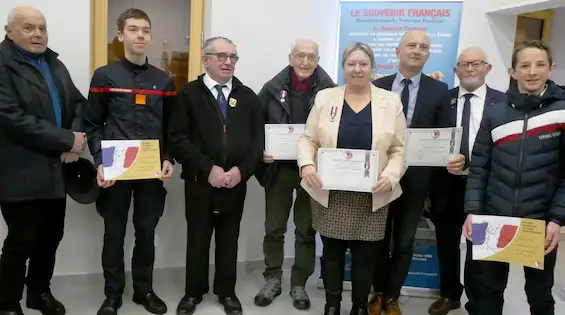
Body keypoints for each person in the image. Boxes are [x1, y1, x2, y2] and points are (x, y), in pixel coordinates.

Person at [297, 42, 406, 315]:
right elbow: (308, 139)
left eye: (363, 64)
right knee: (332, 256)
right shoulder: (325, 98)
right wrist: (307, 166)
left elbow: (399, 149)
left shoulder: (390, 101)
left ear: (372, 67)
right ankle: (332, 306)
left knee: (365, 259)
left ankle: (359, 308)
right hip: (330, 193)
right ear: (344, 67)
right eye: (351, 64)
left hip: (372, 194)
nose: (357, 69)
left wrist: (391, 177)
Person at [82, 8, 176, 315]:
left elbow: (170, 128)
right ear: (121, 35)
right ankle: (112, 295)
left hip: (150, 171)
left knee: (146, 232)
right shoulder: (105, 76)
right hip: (116, 171)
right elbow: (93, 124)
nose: (140, 35)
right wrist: (100, 162)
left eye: (145, 30)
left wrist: (168, 158)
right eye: (133, 29)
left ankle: (144, 290)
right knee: (114, 233)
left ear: (150, 37)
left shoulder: (164, 80)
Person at [462, 40, 564, 315]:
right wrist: (472, 211)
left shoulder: (562, 112)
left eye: (540, 65)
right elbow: (480, 168)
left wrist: (557, 219)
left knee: (540, 294)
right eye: (525, 65)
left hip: (539, 222)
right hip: (494, 218)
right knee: (489, 291)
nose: (532, 71)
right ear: (513, 71)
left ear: (551, 68)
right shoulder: (495, 113)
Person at [167, 36, 264, 315]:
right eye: (221, 56)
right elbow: (178, 138)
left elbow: (258, 141)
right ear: (205, 59)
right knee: (197, 239)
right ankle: (192, 293)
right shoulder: (189, 94)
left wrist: (241, 172)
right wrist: (208, 169)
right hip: (200, 182)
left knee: (229, 239)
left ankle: (227, 292)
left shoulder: (247, 96)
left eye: (233, 57)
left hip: (235, 182)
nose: (228, 62)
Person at [0, 6, 86, 315]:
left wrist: (75, 138)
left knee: (50, 237)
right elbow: (10, 117)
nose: (38, 34)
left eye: (42, 28)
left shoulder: (54, 63)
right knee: (21, 240)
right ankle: (7, 303)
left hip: (56, 170)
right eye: (28, 28)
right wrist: (65, 140)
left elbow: (78, 103)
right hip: (19, 168)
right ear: (9, 32)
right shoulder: (2, 64)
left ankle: (38, 292)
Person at [370, 30, 450, 315]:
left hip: (416, 182)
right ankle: (377, 292)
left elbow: (442, 140)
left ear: (429, 54)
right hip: (379, 178)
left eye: (423, 46)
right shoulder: (376, 86)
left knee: (404, 242)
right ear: (398, 51)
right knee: (377, 239)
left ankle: (392, 295)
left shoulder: (440, 91)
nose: (417, 50)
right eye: (411, 45)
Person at [254, 39, 335, 309]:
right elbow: (254, 126)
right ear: (290, 58)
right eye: (300, 55)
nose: (305, 61)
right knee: (274, 227)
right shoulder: (271, 88)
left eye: (311, 57)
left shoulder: (330, 91)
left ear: (318, 60)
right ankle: (273, 277)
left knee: (306, 230)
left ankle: (299, 282)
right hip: (279, 170)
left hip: (312, 171)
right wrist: (261, 152)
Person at [427, 47, 505, 315]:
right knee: (446, 243)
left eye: (476, 63)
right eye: (464, 64)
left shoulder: (504, 103)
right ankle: (450, 295)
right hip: (447, 186)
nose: (470, 68)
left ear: (487, 68)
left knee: (479, 247)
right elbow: (429, 142)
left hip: (484, 189)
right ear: (455, 70)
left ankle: (476, 301)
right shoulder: (442, 100)